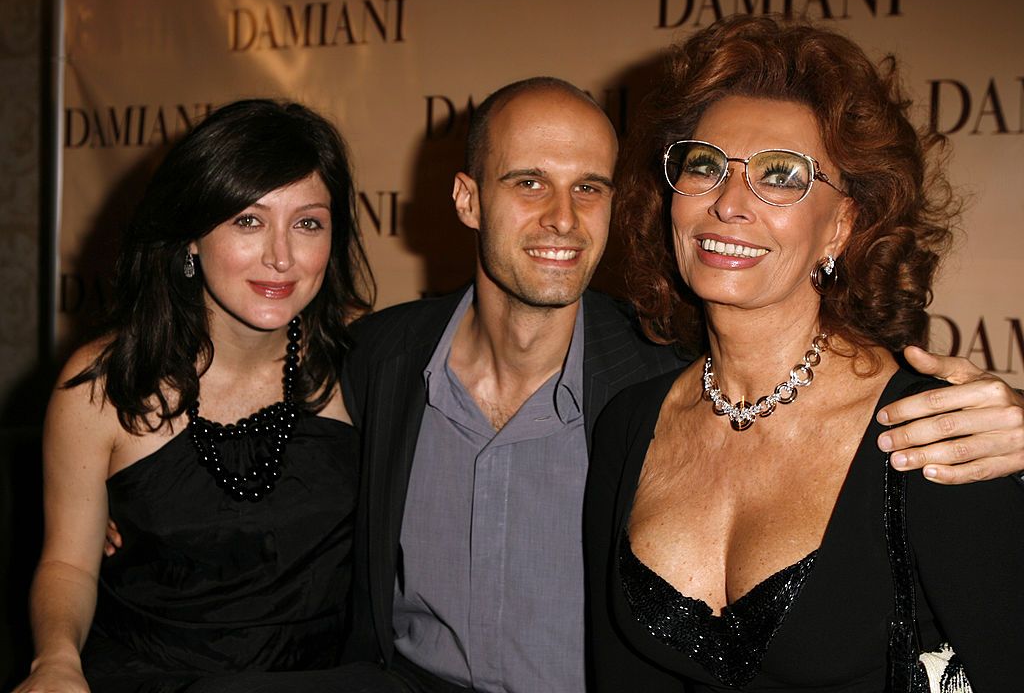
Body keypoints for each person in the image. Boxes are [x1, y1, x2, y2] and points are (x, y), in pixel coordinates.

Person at [109, 78, 1024, 693]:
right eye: (528, 183)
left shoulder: (652, 378)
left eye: (590, 187)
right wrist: (135, 486)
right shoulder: (382, 359)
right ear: (468, 201)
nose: (560, 218)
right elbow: (254, 384)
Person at [583, 15, 1024, 693]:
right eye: (704, 166)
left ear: (843, 225)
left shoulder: (928, 433)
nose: (729, 203)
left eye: (781, 175)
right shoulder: (627, 423)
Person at [15, 99, 373, 693]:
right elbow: (68, 562)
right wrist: (55, 660)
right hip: (151, 677)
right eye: (248, 221)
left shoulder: (369, 358)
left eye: (307, 223)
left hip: (328, 678)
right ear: (191, 238)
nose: (281, 256)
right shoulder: (103, 385)